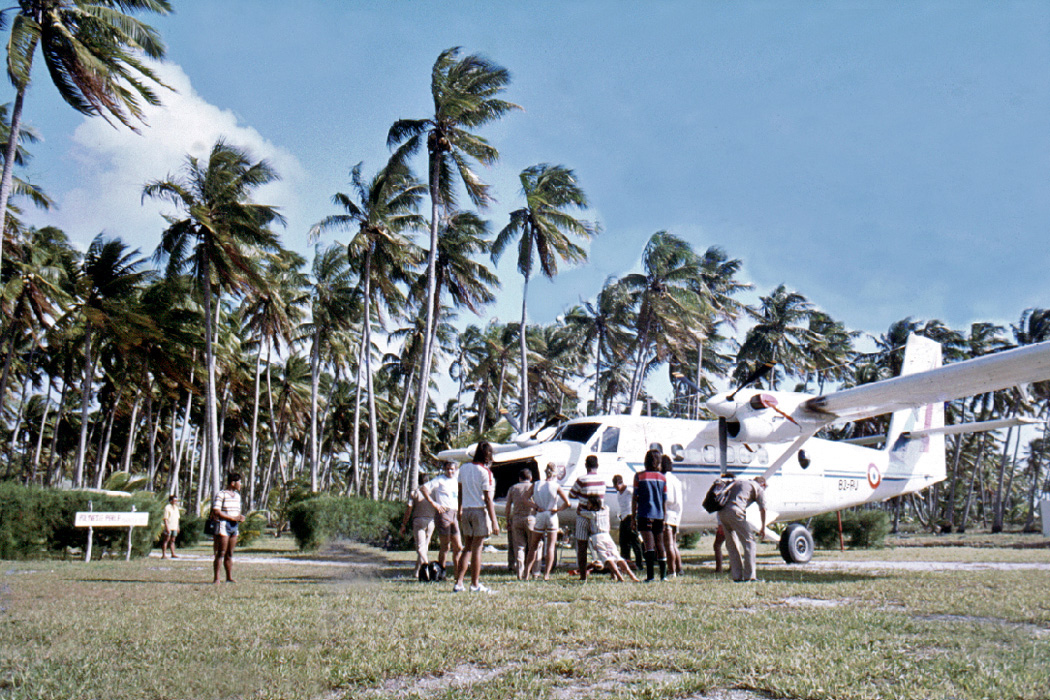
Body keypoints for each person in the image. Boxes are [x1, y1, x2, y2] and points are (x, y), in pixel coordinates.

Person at [453, 442, 500, 593]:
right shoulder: (485, 472)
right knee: (477, 548)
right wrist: (494, 521)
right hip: (479, 511)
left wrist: (459, 509)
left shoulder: (463, 468)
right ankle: (475, 584)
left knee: (467, 547)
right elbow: (488, 499)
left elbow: (460, 491)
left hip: (466, 510)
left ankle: (459, 583)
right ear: (487, 456)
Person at [524, 462, 571, 580]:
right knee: (550, 546)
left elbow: (524, 498)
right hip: (551, 515)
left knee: (533, 545)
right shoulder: (556, 486)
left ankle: (526, 573)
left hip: (540, 514)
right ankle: (546, 574)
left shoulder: (536, 484)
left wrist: (535, 507)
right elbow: (568, 503)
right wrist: (558, 509)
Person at [717, 475, 767, 582]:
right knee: (750, 542)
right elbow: (763, 509)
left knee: (732, 545)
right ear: (762, 484)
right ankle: (750, 576)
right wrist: (763, 527)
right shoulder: (758, 487)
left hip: (722, 513)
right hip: (735, 512)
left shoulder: (740, 482)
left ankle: (737, 576)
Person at [569, 455, 609, 582]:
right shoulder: (603, 480)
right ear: (597, 465)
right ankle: (612, 572)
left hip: (583, 514)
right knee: (603, 546)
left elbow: (571, 494)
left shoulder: (581, 479)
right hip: (598, 517)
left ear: (586, 465)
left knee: (582, 546)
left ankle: (583, 576)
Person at [420, 461, 462, 574]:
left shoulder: (457, 479)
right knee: (445, 545)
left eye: (452, 469)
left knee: (458, 546)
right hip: (444, 513)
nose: (450, 471)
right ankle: (441, 573)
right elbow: (423, 488)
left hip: (454, 513)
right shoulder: (439, 480)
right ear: (444, 469)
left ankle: (457, 574)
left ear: (456, 469)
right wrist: (434, 503)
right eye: (448, 469)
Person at [633, 449, 667, 582]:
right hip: (659, 514)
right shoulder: (663, 478)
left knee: (649, 545)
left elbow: (635, 497)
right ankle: (663, 576)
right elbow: (664, 499)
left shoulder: (639, 476)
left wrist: (632, 518)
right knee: (660, 544)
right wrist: (664, 517)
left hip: (644, 513)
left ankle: (650, 576)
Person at [211, 473, 245, 584]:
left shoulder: (237, 496)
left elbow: (236, 511)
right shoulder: (221, 494)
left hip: (234, 526)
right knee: (221, 552)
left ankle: (229, 577)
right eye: (239, 482)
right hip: (224, 525)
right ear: (233, 483)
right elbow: (217, 511)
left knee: (230, 553)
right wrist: (231, 517)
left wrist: (240, 517)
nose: (241, 484)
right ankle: (217, 578)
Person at [399, 485, 437, 579]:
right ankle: (417, 572)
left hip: (419, 521)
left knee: (420, 548)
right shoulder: (434, 493)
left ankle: (427, 567)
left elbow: (409, 509)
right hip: (431, 521)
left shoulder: (415, 493)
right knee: (424, 548)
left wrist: (404, 524)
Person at [505, 468, 536, 579]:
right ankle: (533, 571)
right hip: (530, 518)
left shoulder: (513, 488)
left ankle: (519, 572)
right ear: (530, 478)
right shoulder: (533, 487)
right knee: (533, 547)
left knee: (519, 548)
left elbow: (508, 505)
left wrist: (508, 519)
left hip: (517, 519)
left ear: (520, 478)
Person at [612, 474, 643, 569]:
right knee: (623, 542)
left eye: (616, 485)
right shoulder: (618, 493)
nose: (616, 488)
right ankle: (626, 562)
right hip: (623, 518)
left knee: (634, 541)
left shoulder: (629, 491)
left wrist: (635, 516)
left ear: (620, 483)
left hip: (631, 516)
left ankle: (639, 564)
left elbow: (638, 500)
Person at [661, 455, 683, 578]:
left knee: (668, 544)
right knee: (673, 544)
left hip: (667, 514)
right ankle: (679, 568)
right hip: (676, 514)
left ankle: (671, 570)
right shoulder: (676, 479)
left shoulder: (664, 479)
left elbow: (666, 499)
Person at [161, 494, 181, 559]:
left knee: (173, 540)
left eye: (176, 501)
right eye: (174, 500)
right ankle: (164, 554)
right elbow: (165, 518)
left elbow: (177, 518)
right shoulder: (167, 508)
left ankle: (173, 554)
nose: (175, 502)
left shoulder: (176, 508)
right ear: (171, 501)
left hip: (174, 526)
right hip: (169, 526)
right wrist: (167, 527)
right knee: (166, 540)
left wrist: (178, 527)